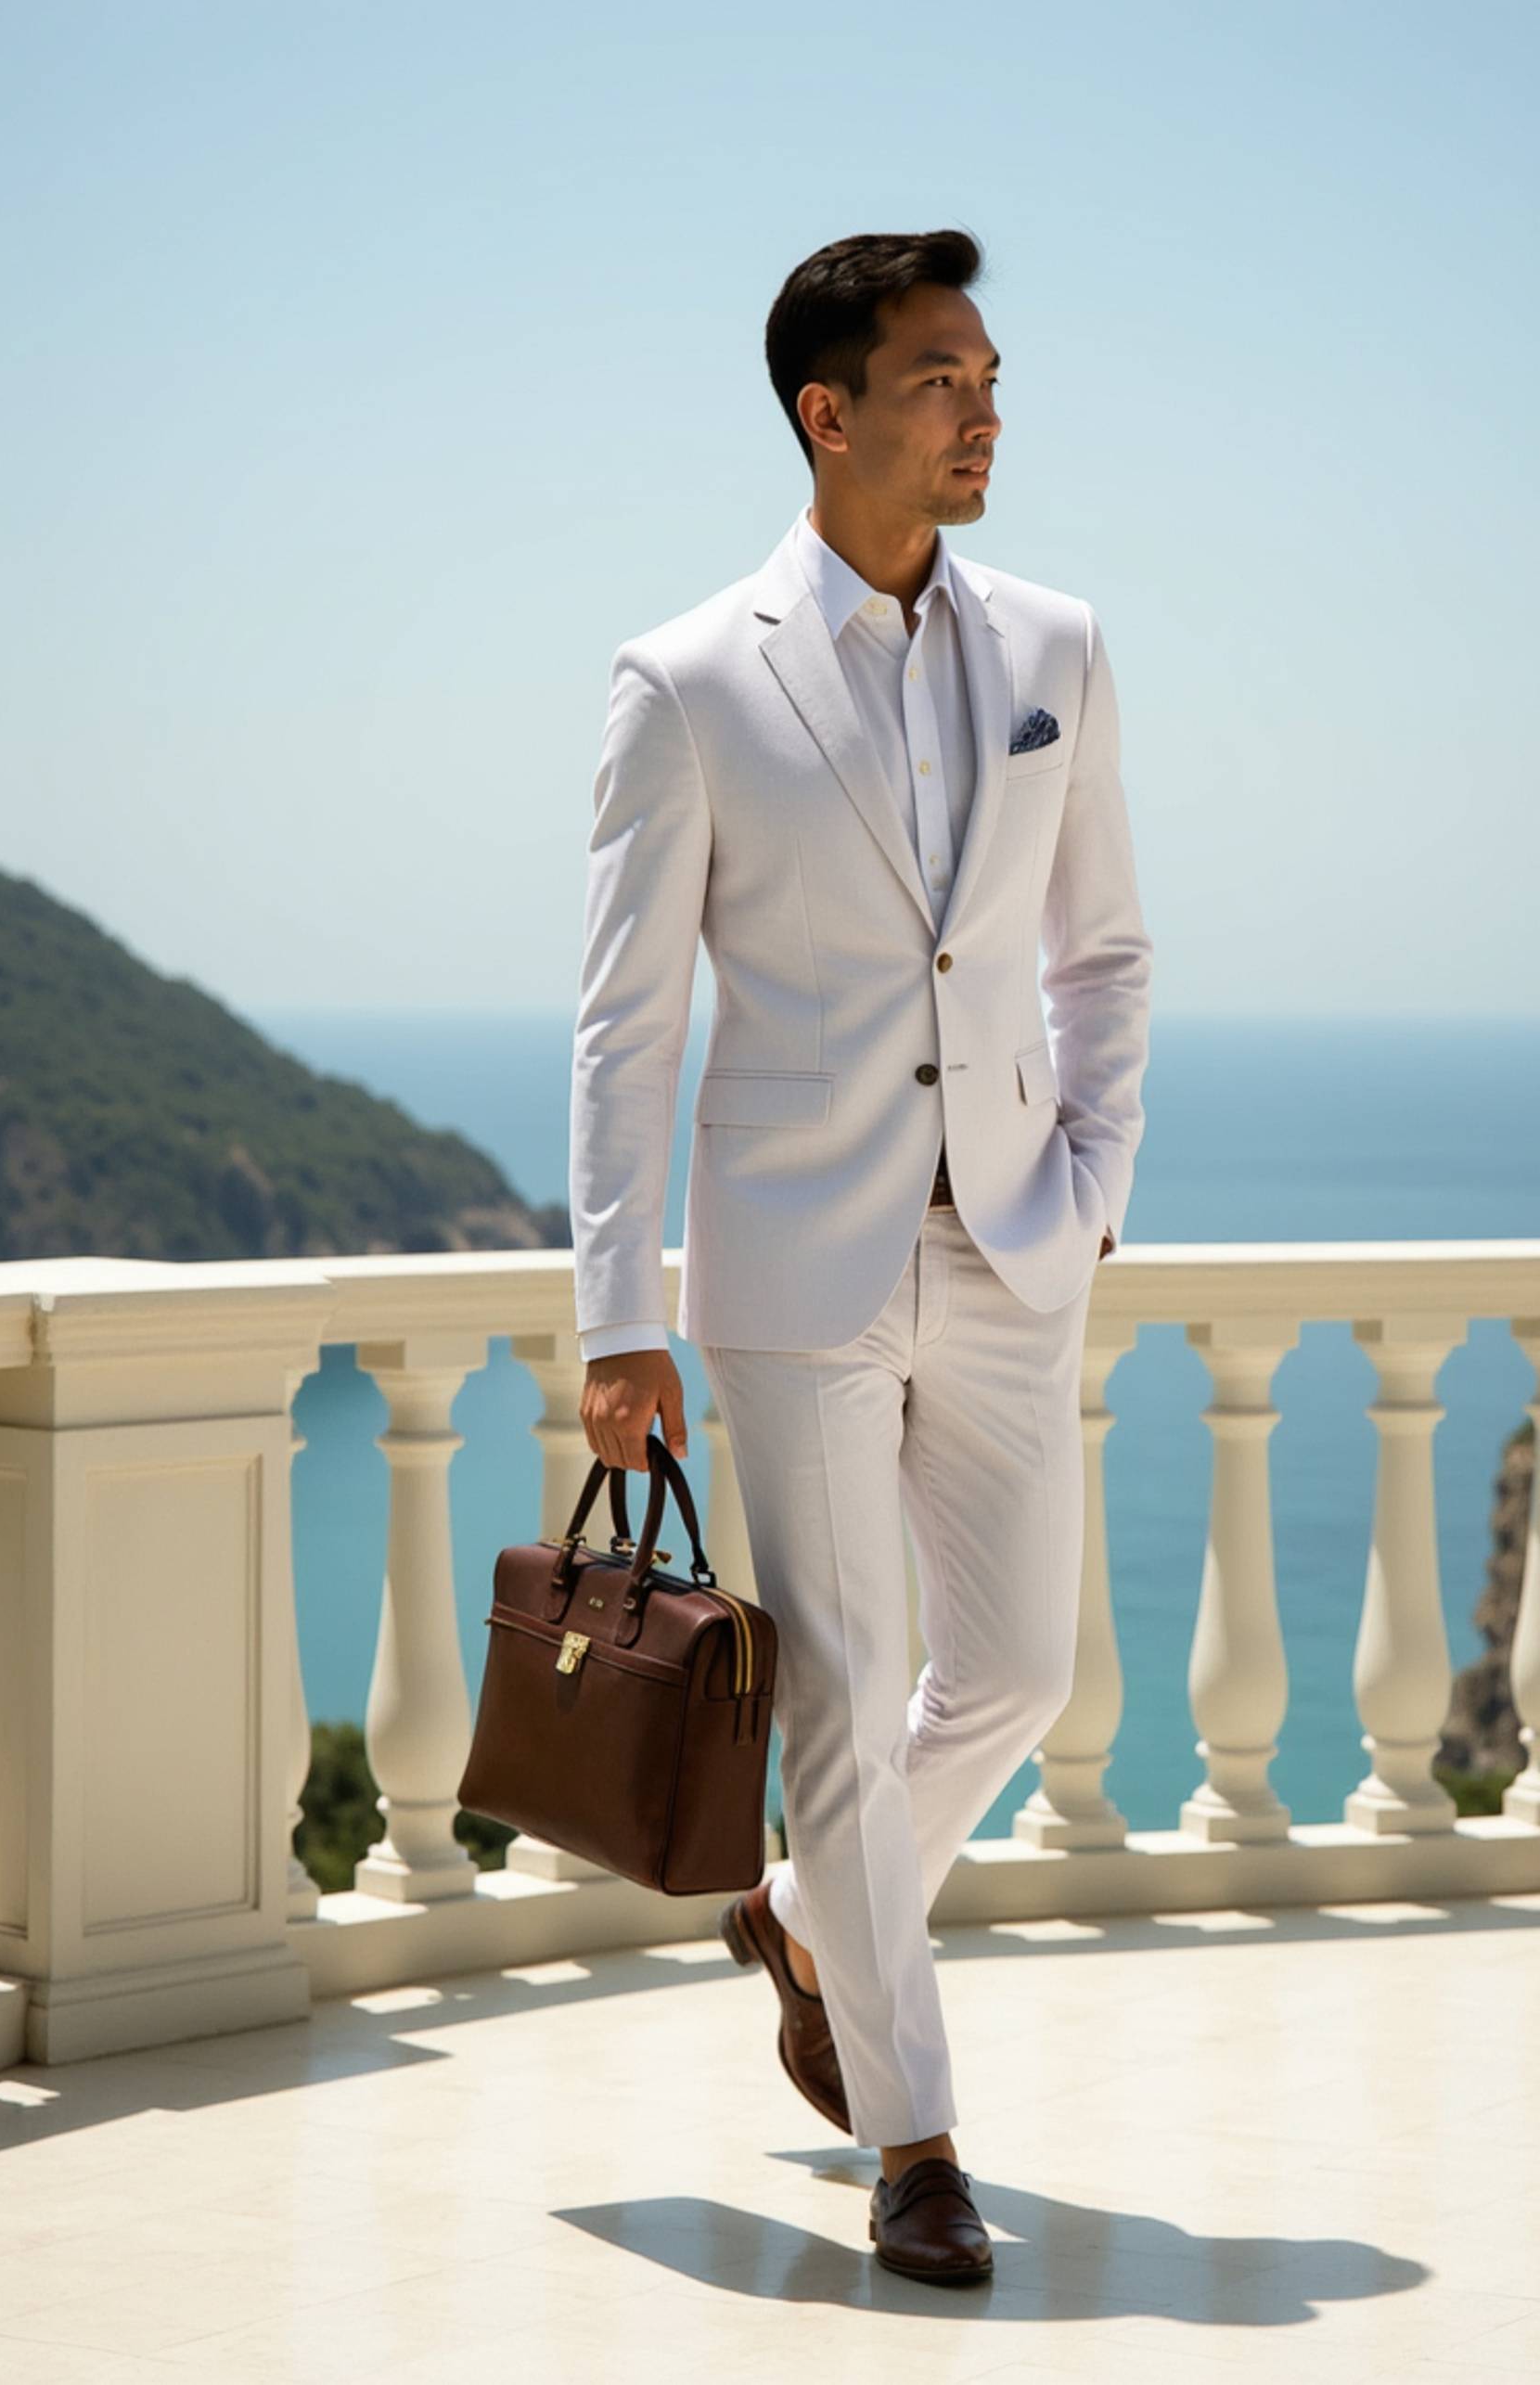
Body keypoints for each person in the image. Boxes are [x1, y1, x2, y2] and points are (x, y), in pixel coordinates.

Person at [569, 226, 1151, 2282]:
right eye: (938, 376)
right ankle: (918, 2135)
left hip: (1006, 1239)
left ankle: (805, 1916)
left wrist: (1086, 1186)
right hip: (792, 1261)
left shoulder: (1058, 648)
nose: (982, 408)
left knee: (1013, 1667)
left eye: (988, 373)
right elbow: (627, 1023)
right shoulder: (692, 677)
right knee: (829, 1693)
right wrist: (616, 1310)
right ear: (828, 413)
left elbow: (1100, 951)